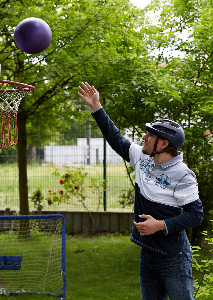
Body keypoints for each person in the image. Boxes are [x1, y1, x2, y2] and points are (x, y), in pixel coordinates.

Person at [78, 82, 204, 300]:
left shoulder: (183, 175)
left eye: (150, 135)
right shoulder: (144, 159)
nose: (144, 137)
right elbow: (116, 139)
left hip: (174, 257)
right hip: (148, 253)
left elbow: (196, 215)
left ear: (164, 144)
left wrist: (160, 225)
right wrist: (97, 107)